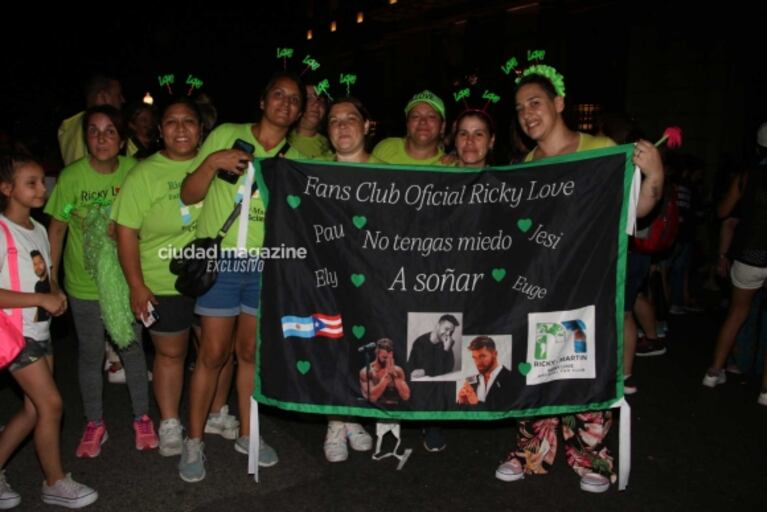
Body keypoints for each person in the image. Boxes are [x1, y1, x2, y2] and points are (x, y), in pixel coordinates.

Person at [494, 65, 663, 492]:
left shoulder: (601, 150)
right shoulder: (526, 166)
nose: (527, 114)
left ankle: (592, 457)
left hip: (589, 286)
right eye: (519, 109)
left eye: (535, 102)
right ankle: (532, 450)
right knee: (536, 368)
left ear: (559, 104)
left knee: (586, 367)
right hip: (541, 287)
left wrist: (655, 173)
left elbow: (638, 211)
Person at [178, 71, 307, 483]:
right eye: (278, 94)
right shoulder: (227, 134)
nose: (285, 103)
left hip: (266, 264)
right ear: (263, 100)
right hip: (223, 264)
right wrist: (211, 162)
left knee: (250, 353)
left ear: (300, 110)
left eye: (293, 99)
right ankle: (193, 440)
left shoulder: (295, 156)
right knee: (213, 354)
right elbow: (188, 194)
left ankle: (248, 434)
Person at [112, 97, 238, 458]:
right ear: (159, 130)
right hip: (162, 279)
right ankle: (169, 422)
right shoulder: (143, 173)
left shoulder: (220, 166)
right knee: (171, 353)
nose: (180, 128)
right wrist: (136, 285)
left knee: (220, 351)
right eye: (171, 121)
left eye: (189, 121)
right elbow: (124, 233)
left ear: (201, 130)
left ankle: (216, 412)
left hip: (216, 275)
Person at [46, 105, 156, 459]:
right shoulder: (72, 178)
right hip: (83, 286)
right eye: (93, 131)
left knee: (133, 351)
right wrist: (52, 281)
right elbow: (58, 229)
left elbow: (151, 222)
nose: (101, 138)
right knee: (91, 355)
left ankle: (142, 416)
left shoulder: (134, 172)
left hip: (126, 283)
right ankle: (95, 422)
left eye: (110, 131)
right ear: (85, 138)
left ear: (122, 139)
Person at [0, 152, 98, 509]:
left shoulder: (39, 229)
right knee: (52, 405)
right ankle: (54, 482)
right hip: (14, 334)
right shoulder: (1, 231)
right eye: (32, 183)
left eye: (43, 181)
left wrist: (55, 294)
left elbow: (44, 275)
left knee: (33, 411)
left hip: (40, 333)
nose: (43, 188)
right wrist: (40, 301)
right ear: (7, 188)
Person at [320, 96, 377, 463]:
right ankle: (335, 420)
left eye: (351, 118)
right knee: (332, 345)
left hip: (374, 276)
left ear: (367, 125)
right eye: (334, 120)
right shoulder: (312, 175)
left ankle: (353, 413)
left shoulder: (391, 173)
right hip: (329, 277)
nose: (342, 125)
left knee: (367, 346)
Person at [703, 122, 767, 407]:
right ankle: (765, 392)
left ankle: (713, 372)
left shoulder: (747, 176)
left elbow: (723, 212)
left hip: (749, 254)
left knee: (736, 313)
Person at [58, 74, 124, 166]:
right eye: (118, 95)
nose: (122, 100)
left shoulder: (68, 126)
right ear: (103, 96)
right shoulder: (82, 125)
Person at [372, 90, 446, 165]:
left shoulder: (449, 166)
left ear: (442, 126)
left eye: (431, 116)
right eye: (415, 116)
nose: (423, 121)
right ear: (407, 124)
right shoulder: (386, 148)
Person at [457, 336, 513, 409]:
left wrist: (476, 403)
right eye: (475, 358)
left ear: (495, 354)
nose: (478, 362)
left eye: (482, 356)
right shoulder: (471, 380)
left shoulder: (512, 378)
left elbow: (508, 411)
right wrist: (462, 403)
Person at [359, 338, 410, 405]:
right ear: (377, 353)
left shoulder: (397, 370)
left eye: (389, 357)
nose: (387, 360)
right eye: (384, 357)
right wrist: (386, 377)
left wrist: (394, 376)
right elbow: (372, 398)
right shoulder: (366, 372)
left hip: (394, 411)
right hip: (375, 410)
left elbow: (406, 396)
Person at [288, 84, 331, 158]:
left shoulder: (333, 144)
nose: (316, 104)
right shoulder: (280, 140)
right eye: (308, 98)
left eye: (319, 98)